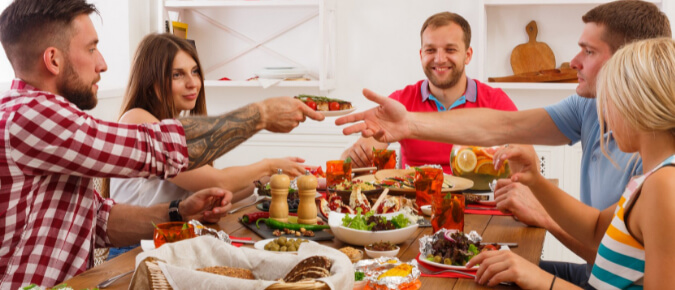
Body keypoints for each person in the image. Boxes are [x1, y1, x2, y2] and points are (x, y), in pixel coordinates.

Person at [335, 0, 670, 286]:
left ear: (633, 67)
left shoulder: (662, 185)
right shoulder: (594, 112)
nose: (573, 62)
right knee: (461, 272)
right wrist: (409, 123)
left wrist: (543, 277)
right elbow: (602, 231)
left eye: (589, 50)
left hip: (598, 275)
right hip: (601, 275)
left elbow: (605, 250)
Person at [0, 0, 324, 288]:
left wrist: (180, 211)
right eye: (90, 49)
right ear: (53, 60)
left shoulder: (48, 121)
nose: (102, 64)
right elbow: (158, 148)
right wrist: (260, 114)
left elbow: (97, 220)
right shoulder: (30, 115)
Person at [466, 37, 675, 290]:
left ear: (638, 104)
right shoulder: (652, 177)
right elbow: (596, 228)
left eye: (608, 99)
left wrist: (544, 281)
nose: (603, 113)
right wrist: (536, 180)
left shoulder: (665, 187)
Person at [106, 33, 310, 258]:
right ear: (151, 81)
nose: (192, 83)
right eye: (177, 75)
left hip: (169, 247)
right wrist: (269, 166)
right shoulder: (137, 120)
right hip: (132, 253)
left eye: (194, 72)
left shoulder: (174, 125)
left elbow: (216, 187)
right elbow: (219, 180)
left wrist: (270, 178)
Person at [340, 12, 520, 174]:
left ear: (468, 55)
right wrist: (353, 157)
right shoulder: (400, 101)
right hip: (414, 207)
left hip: (478, 206)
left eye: (450, 49)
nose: (439, 59)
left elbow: (528, 163)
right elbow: (355, 157)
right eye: (430, 50)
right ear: (421, 55)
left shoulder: (496, 102)